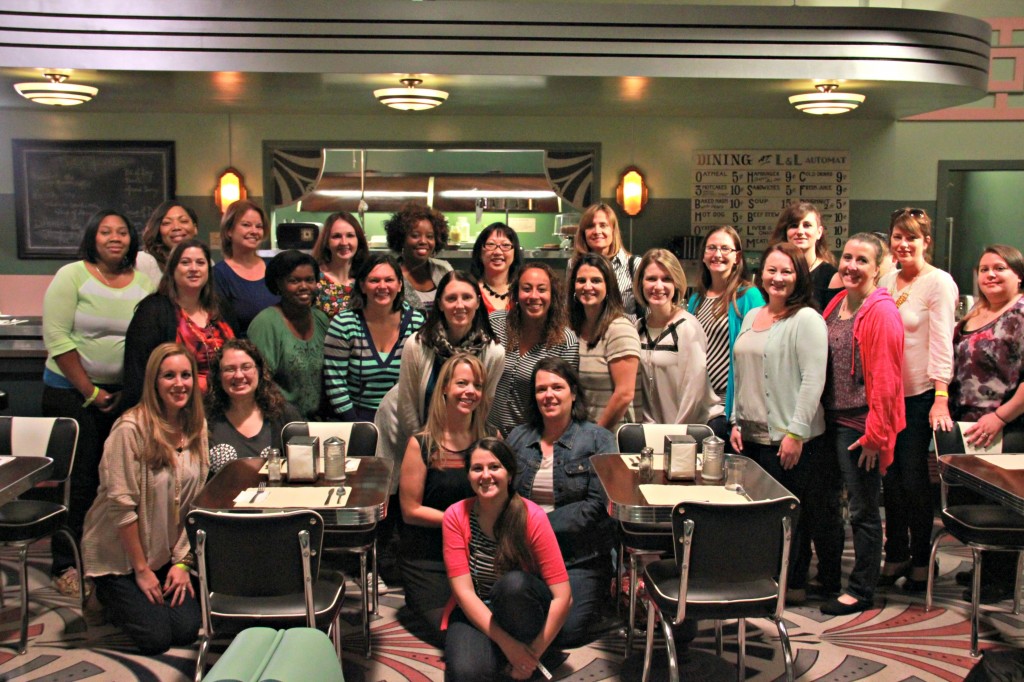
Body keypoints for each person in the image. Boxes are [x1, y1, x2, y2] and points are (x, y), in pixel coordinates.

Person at [42, 209, 156, 597]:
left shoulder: (144, 282)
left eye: (122, 232)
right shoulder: (71, 276)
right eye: (105, 232)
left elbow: (148, 337)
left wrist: (128, 391)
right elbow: (57, 338)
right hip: (72, 394)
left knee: (121, 483)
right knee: (81, 480)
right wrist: (91, 392)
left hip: (123, 396)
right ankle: (66, 563)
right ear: (92, 238)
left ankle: (110, 559)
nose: (114, 238)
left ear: (131, 240)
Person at [81, 343, 208, 654]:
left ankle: (146, 588)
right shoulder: (129, 430)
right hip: (122, 555)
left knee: (185, 630)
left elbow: (196, 503)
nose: (179, 384)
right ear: (153, 381)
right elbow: (122, 509)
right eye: (169, 376)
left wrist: (182, 562)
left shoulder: (196, 427)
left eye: (185, 375)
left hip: (166, 551)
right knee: (156, 638)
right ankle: (102, 592)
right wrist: (141, 569)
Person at [729, 242, 837, 604]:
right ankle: (767, 578)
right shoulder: (752, 314)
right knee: (761, 516)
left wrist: (796, 432)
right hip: (753, 435)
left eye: (786, 271)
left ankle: (793, 584)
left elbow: (812, 380)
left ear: (799, 277)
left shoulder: (806, 319)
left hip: (790, 439)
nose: (777, 278)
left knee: (793, 517)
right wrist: (735, 420)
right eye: (771, 271)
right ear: (761, 275)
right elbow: (742, 372)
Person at [820, 233, 906, 615]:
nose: (851, 266)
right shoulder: (838, 302)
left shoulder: (881, 311)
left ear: (878, 268)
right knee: (830, 507)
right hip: (831, 419)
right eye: (847, 257)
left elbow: (887, 380)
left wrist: (875, 436)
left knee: (863, 511)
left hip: (860, 426)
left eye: (862, 261)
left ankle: (862, 589)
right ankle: (830, 579)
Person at [442, 438, 572, 681]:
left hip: (524, 609)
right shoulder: (455, 515)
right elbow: (464, 594)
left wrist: (530, 656)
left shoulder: (532, 516)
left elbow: (564, 597)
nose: (486, 475)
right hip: (480, 610)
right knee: (467, 674)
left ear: (510, 474)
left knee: (512, 585)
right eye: (477, 468)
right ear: (468, 476)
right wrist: (510, 648)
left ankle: (534, 656)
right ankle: (505, 655)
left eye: (495, 467)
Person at [507, 357, 615, 647]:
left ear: (573, 392)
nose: (549, 395)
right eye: (541, 389)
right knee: (512, 612)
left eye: (557, 387)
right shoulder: (518, 438)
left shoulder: (599, 440)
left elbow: (597, 507)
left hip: (579, 557)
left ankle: (597, 604)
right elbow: (504, 497)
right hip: (526, 555)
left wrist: (535, 526)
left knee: (566, 634)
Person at [877, 207, 958, 592]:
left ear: (926, 242)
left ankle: (922, 560)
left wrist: (941, 396)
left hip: (921, 396)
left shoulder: (938, 283)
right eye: (897, 236)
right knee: (889, 480)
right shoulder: (887, 279)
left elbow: (942, 341)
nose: (903, 244)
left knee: (912, 481)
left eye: (912, 237)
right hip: (886, 398)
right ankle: (895, 556)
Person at [948, 245, 1024, 602]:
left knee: (1000, 507)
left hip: (1006, 424)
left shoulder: (1020, 312)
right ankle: (983, 569)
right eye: (983, 269)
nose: (990, 275)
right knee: (974, 501)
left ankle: (999, 582)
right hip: (968, 423)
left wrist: (1000, 417)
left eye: (1000, 268)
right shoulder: (977, 311)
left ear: (1018, 275)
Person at [399, 353, 493, 633]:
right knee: (454, 630)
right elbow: (410, 511)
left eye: (477, 385)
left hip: (478, 554)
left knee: (502, 614)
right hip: (428, 557)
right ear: (444, 389)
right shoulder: (421, 444)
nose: (470, 391)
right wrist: (460, 524)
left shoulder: (490, 441)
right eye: (462, 383)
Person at [389, 271, 505, 474]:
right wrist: (426, 451)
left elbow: (484, 406)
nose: (460, 305)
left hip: (468, 451)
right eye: (451, 298)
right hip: (420, 449)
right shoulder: (416, 345)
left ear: (478, 303)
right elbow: (407, 405)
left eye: (467, 297)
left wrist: (468, 454)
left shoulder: (494, 352)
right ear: (440, 304)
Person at [123, 238, 237, 410]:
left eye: (200, 263)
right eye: (185, 263)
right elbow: (137, 371)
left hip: (223, 407)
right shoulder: (153, 310)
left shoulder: (221, 307)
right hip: (173, 409)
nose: (194, 269)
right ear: (173, 269)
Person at [323, 253, 426, 421]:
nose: (382, 286)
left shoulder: (416, 323)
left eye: (389, 280)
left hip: (403, 416)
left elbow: (421, 379)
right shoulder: (344, 324)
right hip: (355, 416)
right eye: (374, 280)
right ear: (362, 286)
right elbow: (335, 383)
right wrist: (358, 426)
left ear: (400, 285)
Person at [686, 226, 764, 431]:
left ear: (737, 257)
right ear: (703, 256)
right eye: (711, 248)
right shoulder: (696, 299)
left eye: (725, 249)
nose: (717, 254)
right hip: (700, 404)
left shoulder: (748, 296)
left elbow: (758, 355)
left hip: (727, 406)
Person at [488, 262, 579, 437]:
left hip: (532, 440)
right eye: (526, 289)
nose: (534, 296)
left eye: (542, 289)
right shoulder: (495, 323)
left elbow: (564, 400)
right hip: (489, 434)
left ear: (553, 295)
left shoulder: (565, 341)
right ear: (516, 293)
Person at [636, 248, 723, 427]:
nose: (658, 286)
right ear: (640, 283)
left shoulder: (688, 327)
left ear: (676, 284)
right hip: (654, 432)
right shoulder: (638, 329)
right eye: (651, 278)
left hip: (692, 429)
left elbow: (694, 393)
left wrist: (676, 436)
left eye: (666, 279)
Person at [248, 250, 330, 420]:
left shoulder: (321, 319)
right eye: (294, 281)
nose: (304, 287)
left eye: (309, 280)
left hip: (319, 421)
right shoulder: (265, 323)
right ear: (278, 284)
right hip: (279, 422)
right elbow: (259, 384)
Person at [205, 339, 302, 476]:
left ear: (259, 371)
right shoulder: (204, 419)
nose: (239, 375)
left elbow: (303, 469)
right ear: (218, 376)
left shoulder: (285, 414)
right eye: (229, 369)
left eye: (246, 367)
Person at [567, 253, 640, 429]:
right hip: (579, 435)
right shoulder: (572, 329)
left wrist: (596, 436)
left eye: (596, 281)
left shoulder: (619, 329)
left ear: (609, 287)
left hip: (610, 439)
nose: (587, 286)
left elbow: (624, 394)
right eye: (581, 280)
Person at [213, 199, 279, 336]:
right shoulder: (219, 274)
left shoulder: (275, 266)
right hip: (245, 352)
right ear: (229, 231)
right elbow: (223, 327)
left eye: (259, 226)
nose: (254, 231)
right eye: (246, 225)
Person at [570, 203, 642, 318]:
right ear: (583, 232)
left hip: (626, 333)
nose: (597, 231)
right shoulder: (573, 264)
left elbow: (649, 314)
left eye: (603, 225)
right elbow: (570, 306)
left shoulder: (634, 265)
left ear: (613, 230)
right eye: (591, 226)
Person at [768, 201, 838, 309]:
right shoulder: (773, 274)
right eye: (794, 226)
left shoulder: (831, 277)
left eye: (807, 225)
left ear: (819, 232)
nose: (800, 231)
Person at [384, 202, 453, 310]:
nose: (423, 241)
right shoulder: (390, 275)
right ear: (401, 239)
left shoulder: (444, 269)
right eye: (415, 235)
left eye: (430, 236)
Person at [312, 210, 370, 318]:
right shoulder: (314, 279)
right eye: (336, 236)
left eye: (350, 235)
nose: (344, 242)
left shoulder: (367, 279)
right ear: (327, 242)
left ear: (359, 240)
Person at [137, 200, 200, 282]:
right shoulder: (143, 261)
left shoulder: (205, 262)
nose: (176, 227)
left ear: (195, 228)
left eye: (183, 221)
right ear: (158, 230)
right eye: (167, 223)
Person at [471, 222, 522, 314]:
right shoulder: (470, 290)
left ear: (515, 253)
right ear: (479, 251)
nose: (498, 252)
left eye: (506, 245)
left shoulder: (522, 291)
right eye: (491, 244)